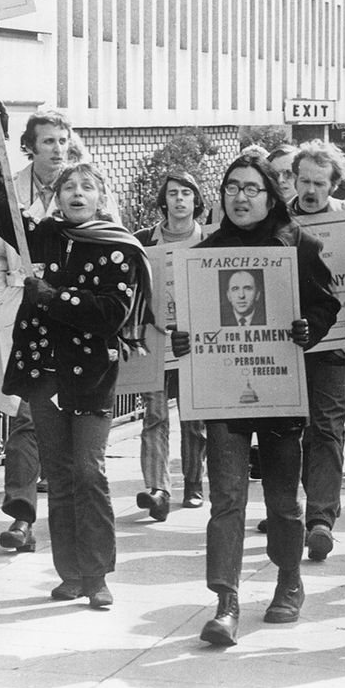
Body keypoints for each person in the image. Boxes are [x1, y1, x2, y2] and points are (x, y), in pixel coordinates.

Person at [0, 121, 152, 608]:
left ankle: (98, 576)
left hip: (91, 375)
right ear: (57, 198)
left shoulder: (117, 247)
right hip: (42, 372)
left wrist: (54, 298)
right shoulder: (42, 238)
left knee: (90, 471)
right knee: (60, 472)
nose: (76, 192)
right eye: (68, 186)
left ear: (100, 197)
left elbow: (110, 314)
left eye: (86, 186)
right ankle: (70, 572)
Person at [171, 153, 339, 645]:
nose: (240, 198)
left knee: (283, 500)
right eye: (231, 188)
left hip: (280, 391)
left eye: (251, 189)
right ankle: (226, 602)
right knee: (226, 498)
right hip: (224, 395)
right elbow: (194, 317)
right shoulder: (206, 251)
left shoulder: (298, 246)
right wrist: (185, 342)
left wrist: (310, 329)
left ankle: (289, 581)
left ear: (270, 196)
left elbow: (326, 303)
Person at [282, 139, 345, 561]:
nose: (310, 190)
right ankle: (292, 505)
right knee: (291, 430)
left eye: (320, 182)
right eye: (303, 181)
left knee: (328, 427)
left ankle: (321, 518)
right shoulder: (278, 220)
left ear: (335, 184)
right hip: (285, 343)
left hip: (334, 342)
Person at [132, 172, 207, 520]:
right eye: (173, 193)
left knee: (194, 418)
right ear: (163, 201)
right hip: (157, 339)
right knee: (155, 415)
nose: (179, 199)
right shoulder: (143, 241)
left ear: (196, 201)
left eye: (186, 193)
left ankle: (193, 484)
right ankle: (157, 490)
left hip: (195, 341)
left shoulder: (209, 241)